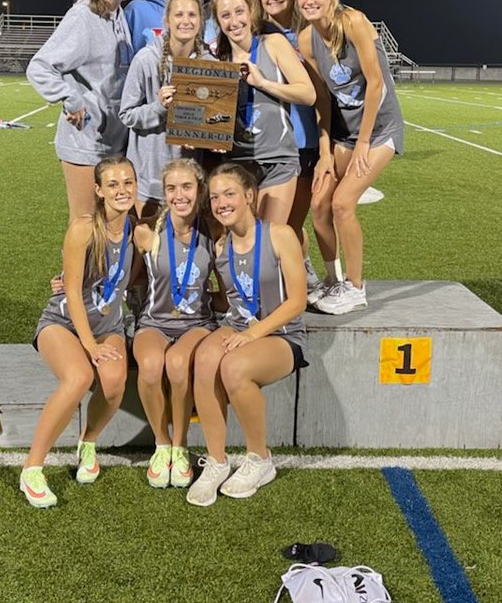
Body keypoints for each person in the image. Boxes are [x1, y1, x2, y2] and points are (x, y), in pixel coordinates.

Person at [19, 156, 137, 509]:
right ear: (98, 191)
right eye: (113, 184)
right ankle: (32, 469)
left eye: (128, 182)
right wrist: (90, 345)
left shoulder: (139, 231)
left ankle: (88, 443)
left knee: (115, 381)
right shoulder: (83, 228)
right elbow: (70, 289)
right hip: (64, 323)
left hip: (109, 325)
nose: (122, 190)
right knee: (80, 376)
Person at [186, 162, 307, 507]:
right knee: (205, 359)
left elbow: (297, 300)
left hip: (282, 334)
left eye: (229, 194)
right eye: (215, 197)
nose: (221, 202)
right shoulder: (221, 248)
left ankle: (259, 458)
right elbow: (234, 298)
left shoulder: (279, 234)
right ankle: (217, 462)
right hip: (240, 327)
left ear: (250, 196)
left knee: (233, 368)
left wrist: (254, 335)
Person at [297, 0, 404, 315]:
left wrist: (362, 144)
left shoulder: (354, 22)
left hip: (379, 131)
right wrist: (326, 152)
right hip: (343, 134)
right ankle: (333, 279)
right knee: (319, 205)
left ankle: (356, 288)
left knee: (343, 204)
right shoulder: (305, 40)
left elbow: (376, 83)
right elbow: (324, 99)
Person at [27, 0, 142, 221]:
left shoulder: (118, 14)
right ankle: (71, 268)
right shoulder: (84, 16)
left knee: (105, 222)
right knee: (83, 220)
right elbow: (40, 66)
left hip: (111, 141)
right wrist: (72, 99)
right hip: (84, 142)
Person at [133, 158, 219, 489]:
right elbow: (123, 274)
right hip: (154, 322)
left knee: (179, 362)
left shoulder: (214, 230)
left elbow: (228, 285)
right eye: (171, 188)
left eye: (186, 187)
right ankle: (162, 444)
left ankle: (181, 446)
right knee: (152, 366)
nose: (178, 195)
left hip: (197, 323)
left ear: (199, 191)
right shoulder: (146, 231)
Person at [253, 0, 331, 294]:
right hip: (264, 145)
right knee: (265, 226)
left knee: (292, 224)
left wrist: (326, 149)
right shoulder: (253, 34)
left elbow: (324, 97)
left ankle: (303, 277)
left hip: (304, 144)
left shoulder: (310, 35)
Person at [210, 0, 315, 223]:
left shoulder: (273, 44)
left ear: (251, 12)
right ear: (218, 21)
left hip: (278, 157)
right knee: (244, 241)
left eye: (239, 12)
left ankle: (301, 261)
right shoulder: (217, 60)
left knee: (269, 237)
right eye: (225, 15)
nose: (234, 21)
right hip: (236, 162)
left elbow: (308, 94)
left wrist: (263, 83)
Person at [119, 0, 210, 217]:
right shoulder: (145, 59)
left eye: (192, 15)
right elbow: (127, 114)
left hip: (189, 179)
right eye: (179, 14)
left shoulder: (210, 65)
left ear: (201, 21)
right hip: (150, 178)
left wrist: (214, 136)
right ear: (167, 20)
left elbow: (214, 119)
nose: (186, 21)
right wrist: (158, 107)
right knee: (146, 244)